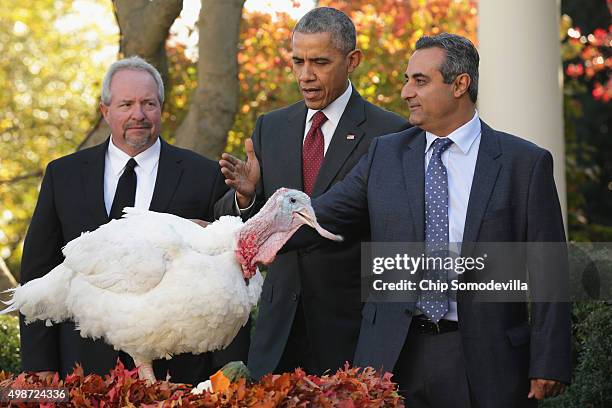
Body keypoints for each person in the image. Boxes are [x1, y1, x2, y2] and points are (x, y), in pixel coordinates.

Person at [241, 33, 571, 406]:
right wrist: (243, 232)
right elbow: (320, 216)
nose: (406, 92)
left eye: (420, 81)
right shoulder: (386, 154)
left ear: (460, 84)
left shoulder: (522, 163)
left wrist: (549, 360)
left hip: (484, 357)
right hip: (390, 356)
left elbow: (549, 270)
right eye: (406, 79)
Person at [19, 56, 248, 384]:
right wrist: (39, 368)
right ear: (105, 110)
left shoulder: (204, 175)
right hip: (83, 372)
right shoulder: (63, 175)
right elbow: (38, 270)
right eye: (126, 104)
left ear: (161, 108)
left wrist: (226, 377)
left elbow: (230, 274)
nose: (138, 115)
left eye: (148, 104)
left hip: (177, 374)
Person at [215, 7, 409, 378]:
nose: (305, 75)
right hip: (277, 332)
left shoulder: (390, 134)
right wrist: (247, 197)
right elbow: (233, 219)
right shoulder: (270, 128)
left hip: (350, 330)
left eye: (320, 62)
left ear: (352, 60)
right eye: (297, 61)